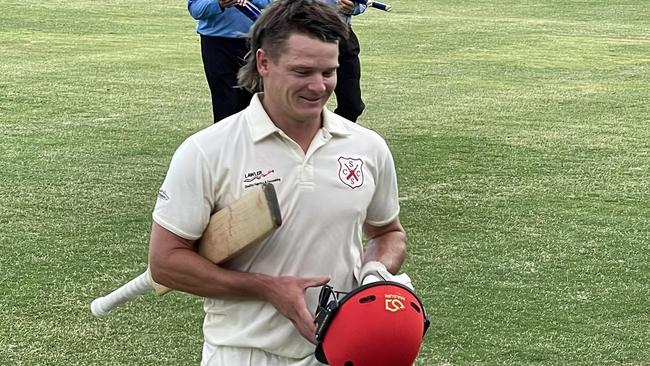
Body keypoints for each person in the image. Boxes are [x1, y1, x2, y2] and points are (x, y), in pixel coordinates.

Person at [149, 0, 407, 364]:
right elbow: (165, 263)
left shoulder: (368, 147)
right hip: (243, 352)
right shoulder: (207, 150)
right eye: (302, 72)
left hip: (335, 351)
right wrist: (267, 288)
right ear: (264, 63)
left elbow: (388, 233)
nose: (319, 87)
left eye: (328, 72)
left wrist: (374, 273)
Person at [188, 0, 271, 123]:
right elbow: (196, 10)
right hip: (216, 43)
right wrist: (219, 3)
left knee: (256, 102)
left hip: (252, 42)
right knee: (225, 103)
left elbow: (271, 4)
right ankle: (224, 140)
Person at [326, 0, 367, 122]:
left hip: (343, 36)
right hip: (303, 36)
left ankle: (334, 136)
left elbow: (362, 4)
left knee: (352, 106)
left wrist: (354, 7)